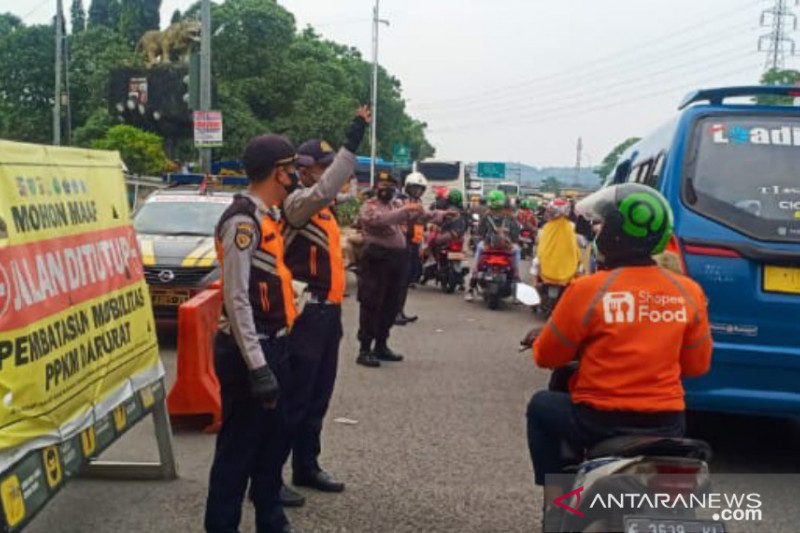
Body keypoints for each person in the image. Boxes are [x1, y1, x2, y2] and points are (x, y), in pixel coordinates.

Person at [522, 184, 713, 516]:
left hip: (599, 421)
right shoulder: (688, 292)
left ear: (611, 234)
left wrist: (546, 339)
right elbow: (696, 366)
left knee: (541, 406)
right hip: (668, 424)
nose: (597, 231)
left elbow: (547, 357)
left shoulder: (588, 289)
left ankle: (556, 503)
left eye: (601, 225)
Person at [205, 135, 303, 533]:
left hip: (274, 343)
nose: (295, 177)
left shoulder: (267, 215)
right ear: (279, 172)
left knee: (272, 444)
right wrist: (258, 367)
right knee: (238, 453)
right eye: (292, 169)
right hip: (250, 352)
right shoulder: (242, 222)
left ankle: (271, 521)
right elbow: (236, 298)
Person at [277, 107, 371, 506]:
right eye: (325, 167)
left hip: (327, 313)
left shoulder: (323, 209)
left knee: (317, 396)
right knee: (293, 399)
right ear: (305, 170)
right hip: (305, 313)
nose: (333, 173)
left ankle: (306, 465)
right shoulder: (299, 203)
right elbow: (327, 188)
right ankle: (269, 475)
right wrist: (354, 138)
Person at [355, 171, 424, 367]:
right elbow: (380, 220)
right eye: (383, 186)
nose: (387, 190)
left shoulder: (397, 205)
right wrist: (405, 211)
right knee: (371, 304)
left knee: (391, 304)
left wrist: (441, 215)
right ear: (376, 188)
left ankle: (381, 345)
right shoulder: (370, 206)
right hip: (376, 259)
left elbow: (419, 215)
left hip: (397, 260)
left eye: (391, 186)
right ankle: (365, 349)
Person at [465, 189, 521, 301]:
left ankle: (471, 289)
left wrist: (486, 240)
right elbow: (515, 234)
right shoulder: (510, 217)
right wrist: (510, 241)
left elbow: (480, 232)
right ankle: (516, 288)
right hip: (507, 248)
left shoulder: (486, 216)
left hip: (488, 246)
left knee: (477, 264)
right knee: (517, 253)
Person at [395, 172, 428, 325]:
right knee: (399, 281)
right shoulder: (400, 201)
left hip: (414, 245)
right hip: (402, 244)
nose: (417, 191)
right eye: (415, 188)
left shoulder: (419, 203)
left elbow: (422, 225)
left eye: (420, 189)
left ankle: (400, 311)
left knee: (408, 280)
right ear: (408, 187)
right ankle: (394, 312)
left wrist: (422, 245)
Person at [534, 198, 581, 286]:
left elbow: (538, 241)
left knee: (536, 265)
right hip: (567, 269)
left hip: (546, 269)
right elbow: (580, 242)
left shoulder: (546, 227)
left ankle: (537, 288)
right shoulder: (572, 226)